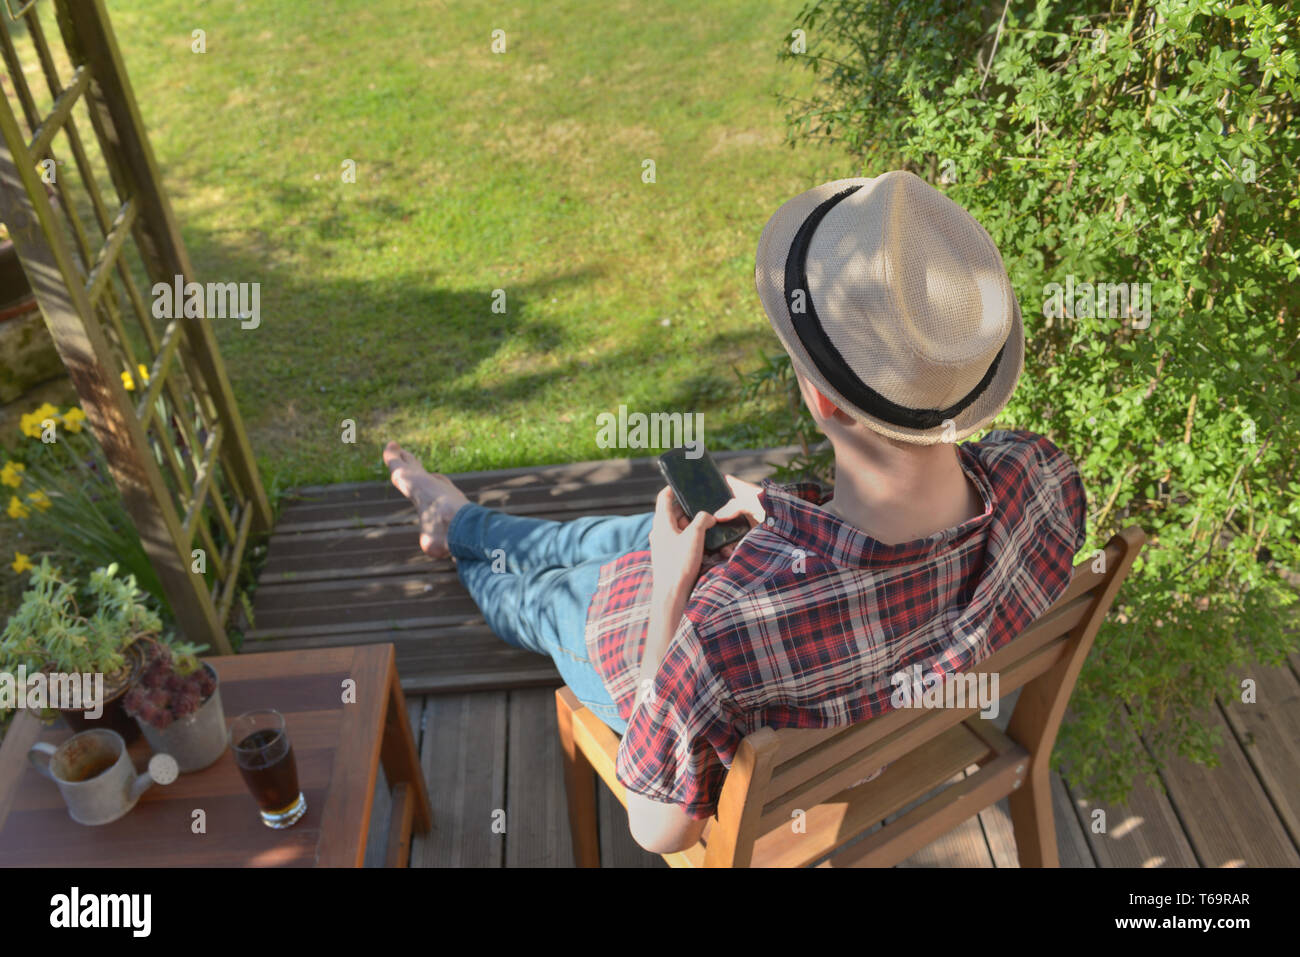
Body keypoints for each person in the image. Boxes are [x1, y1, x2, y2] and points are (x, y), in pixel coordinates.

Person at [383, 170, 1086, 855]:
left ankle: (458, 534)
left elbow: (659, 829)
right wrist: (783, 513)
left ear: (824, 403)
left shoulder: (721, 636)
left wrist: (669, 591)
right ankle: (459, 520)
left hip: (647, 654)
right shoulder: (1042, 477)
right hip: (821, 657)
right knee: (630, 533)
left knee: (537, 595)